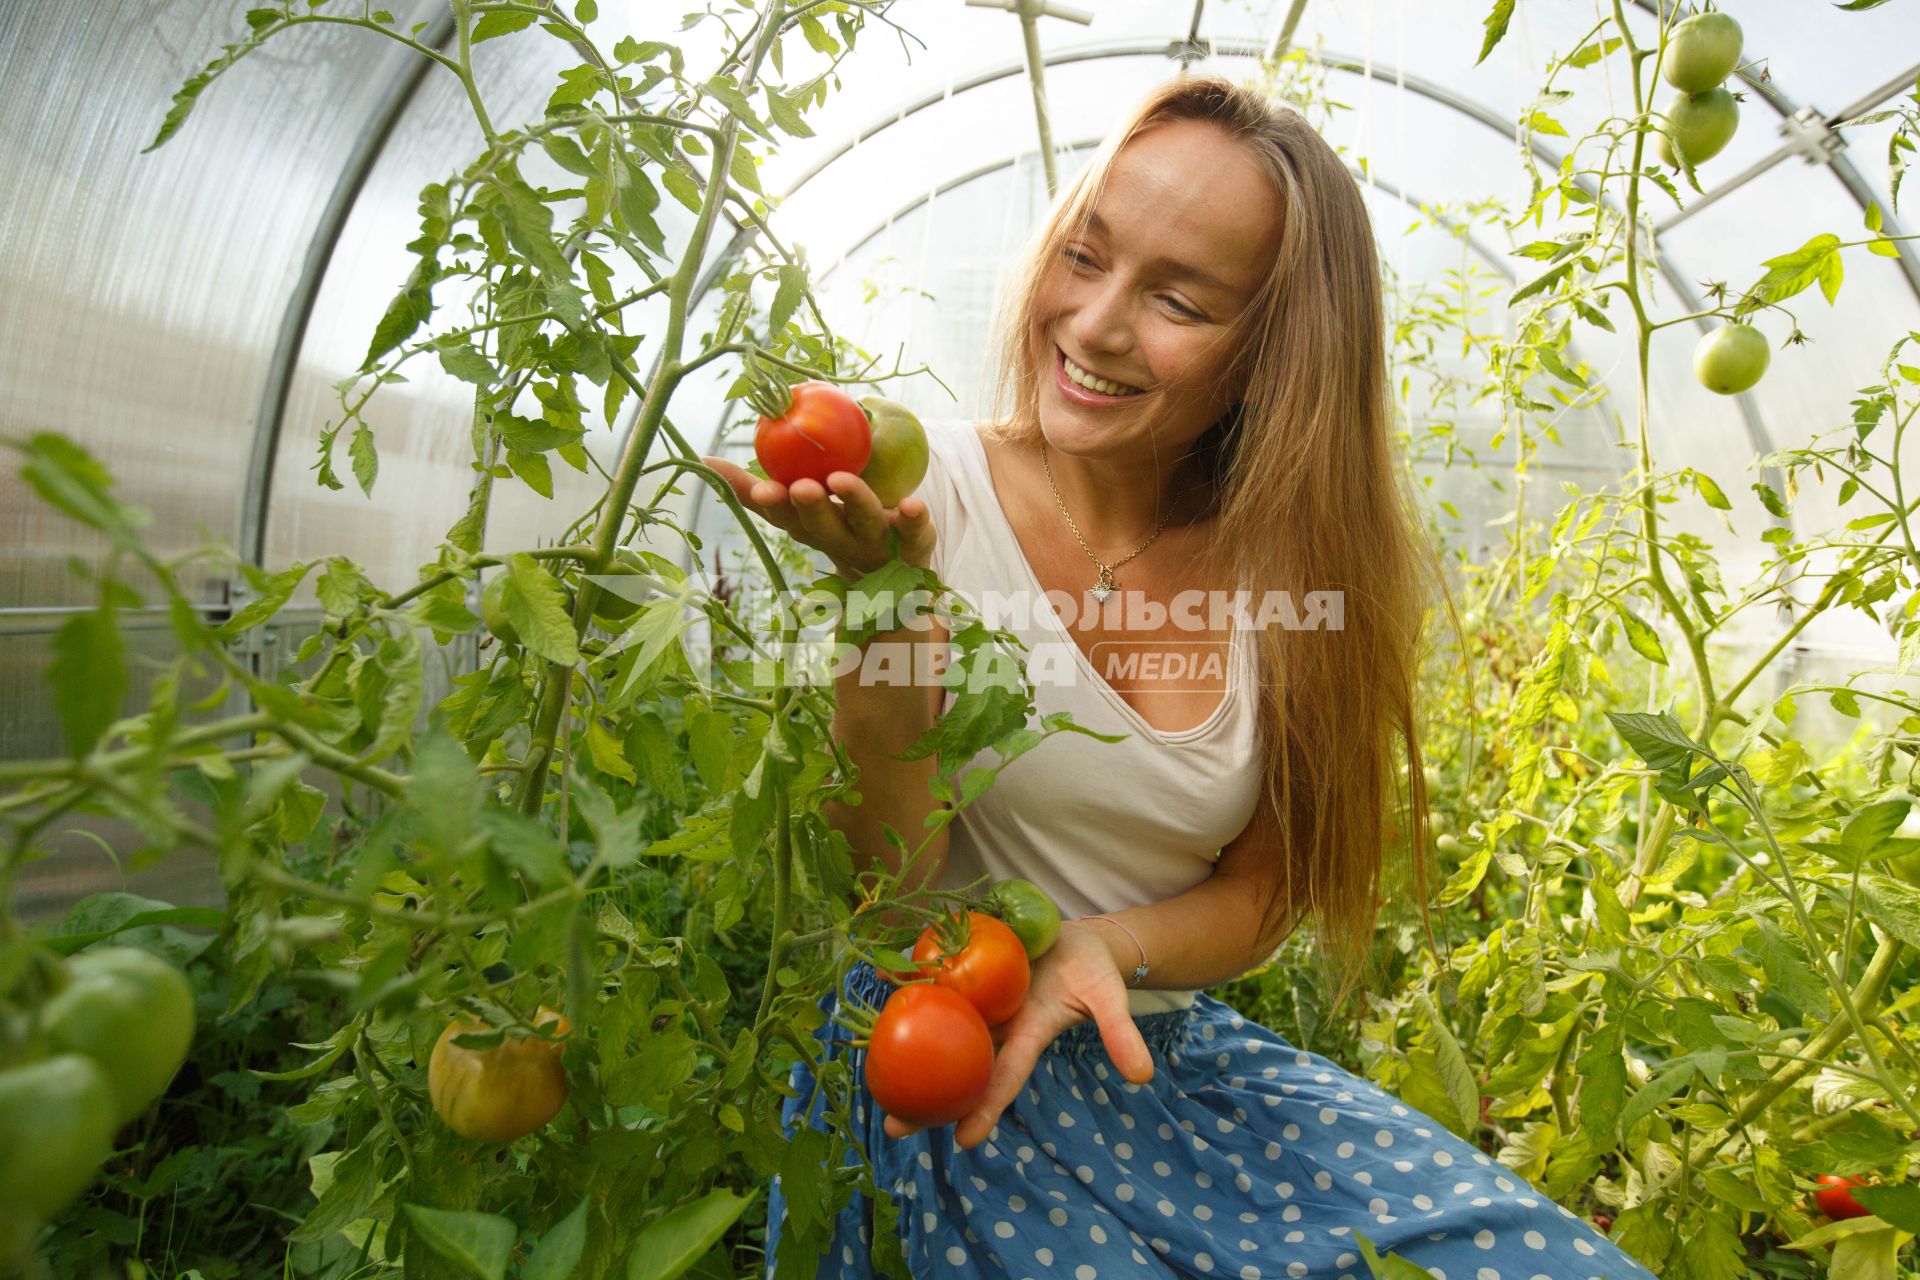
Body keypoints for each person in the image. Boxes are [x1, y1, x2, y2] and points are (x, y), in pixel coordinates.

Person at [706, 73, 1654, 1280]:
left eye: (1178, 300)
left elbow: (1268, 888)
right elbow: (882, 894)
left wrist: (1109, 944)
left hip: (1162, 1060)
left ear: (1271, 357)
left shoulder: (1295, 569)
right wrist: (881, 612)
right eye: (1085, 256)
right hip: (946, 1075)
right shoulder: (912, 496)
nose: (1095, 325)